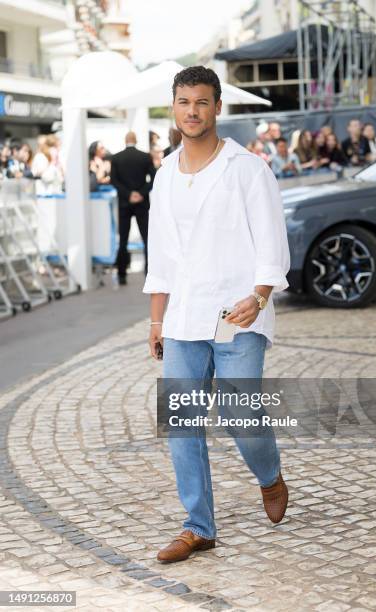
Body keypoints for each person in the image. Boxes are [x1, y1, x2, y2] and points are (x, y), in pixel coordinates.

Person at [143, 65, 290, 563]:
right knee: (182, 423)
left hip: (237, 311)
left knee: (239, 414)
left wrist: (262, 294)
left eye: (202, 102)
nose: (192, 111)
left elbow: (272, 240)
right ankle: (198, 526)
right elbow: (160, 257)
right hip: (184, 316)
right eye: (184, 102)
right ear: (174, 107)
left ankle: (269, 475)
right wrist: (156, 319)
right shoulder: (164, 175)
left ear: (217, 107)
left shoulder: (247, 168)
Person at [110, 131, 156, 283]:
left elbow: (114, 181)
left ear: (125, 140)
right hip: (142, 203)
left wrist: (128, 194)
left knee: (123, 239)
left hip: (124, 203)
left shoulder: (116, 158)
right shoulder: (144, 157)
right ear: (136, 140)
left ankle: (122, 274)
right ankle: (149, 272)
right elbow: (154, 177)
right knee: (147, 238)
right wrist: (141, 193)